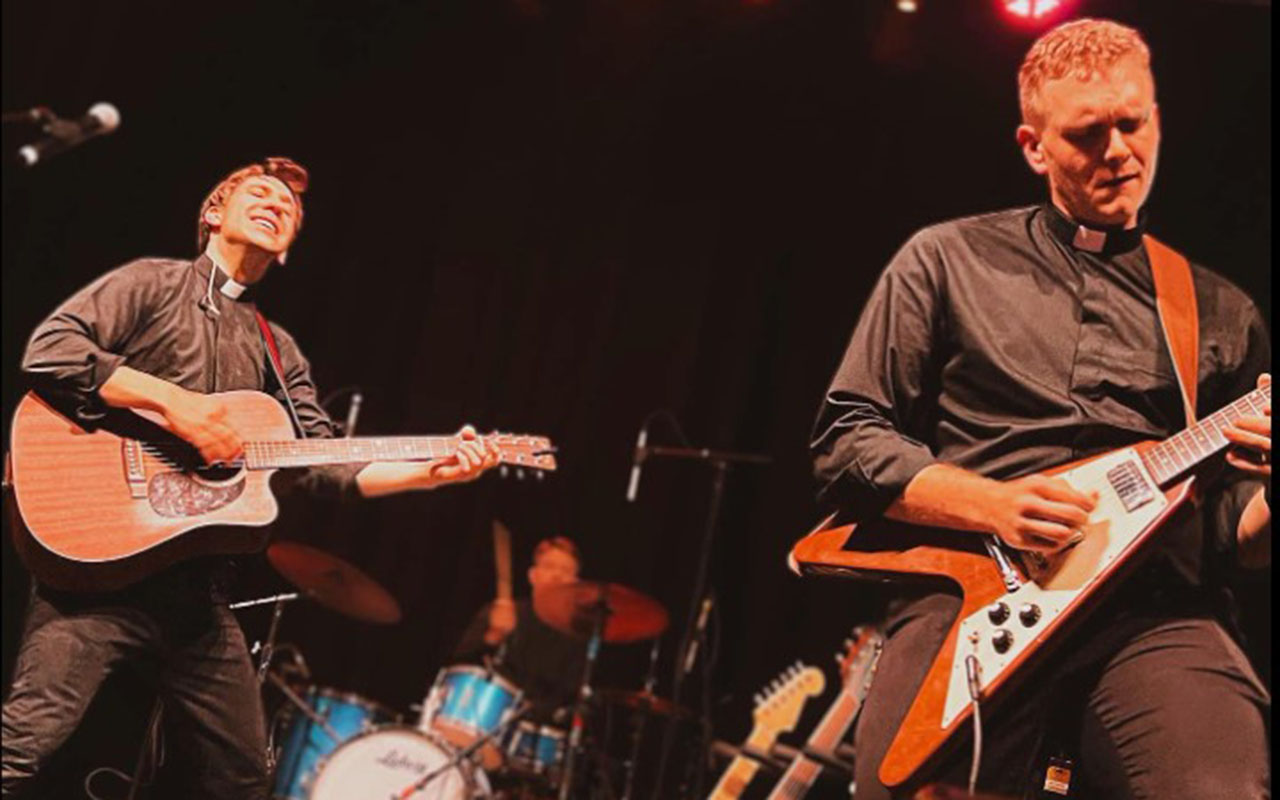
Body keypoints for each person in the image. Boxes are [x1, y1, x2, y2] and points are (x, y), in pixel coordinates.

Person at [810, 19, 1270, 799]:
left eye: (1134, 122)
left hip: (1154, 612)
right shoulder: (945, 259)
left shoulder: (1221, 312)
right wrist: (993, 504)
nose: (1120, 151)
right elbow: (847, 440)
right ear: (1034, 146)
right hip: (973, 587)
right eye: (1088, 134)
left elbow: (1231, 536)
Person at [2, 157, 502, 799]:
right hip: (99, 572)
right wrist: (174, 404)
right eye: (257, 192)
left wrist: (431, 472)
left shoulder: (277, 348)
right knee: (23, 746)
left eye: (290, 208)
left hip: (194, 597)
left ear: (289, 248)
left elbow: (324, 465)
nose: (276, 204)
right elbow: (53, 351)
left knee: (244, 780)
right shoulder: (151, 283)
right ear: (213, 214)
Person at [452, 536, 587, 722]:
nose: (556, 575)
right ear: (533, 575)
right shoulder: (504, 610)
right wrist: (493, 635)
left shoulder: (577, 637)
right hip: (476, 715)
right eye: (549, 566)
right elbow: (455, 664)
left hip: (530, 733)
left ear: (575, 584)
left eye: (565, 571)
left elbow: (570, 699)